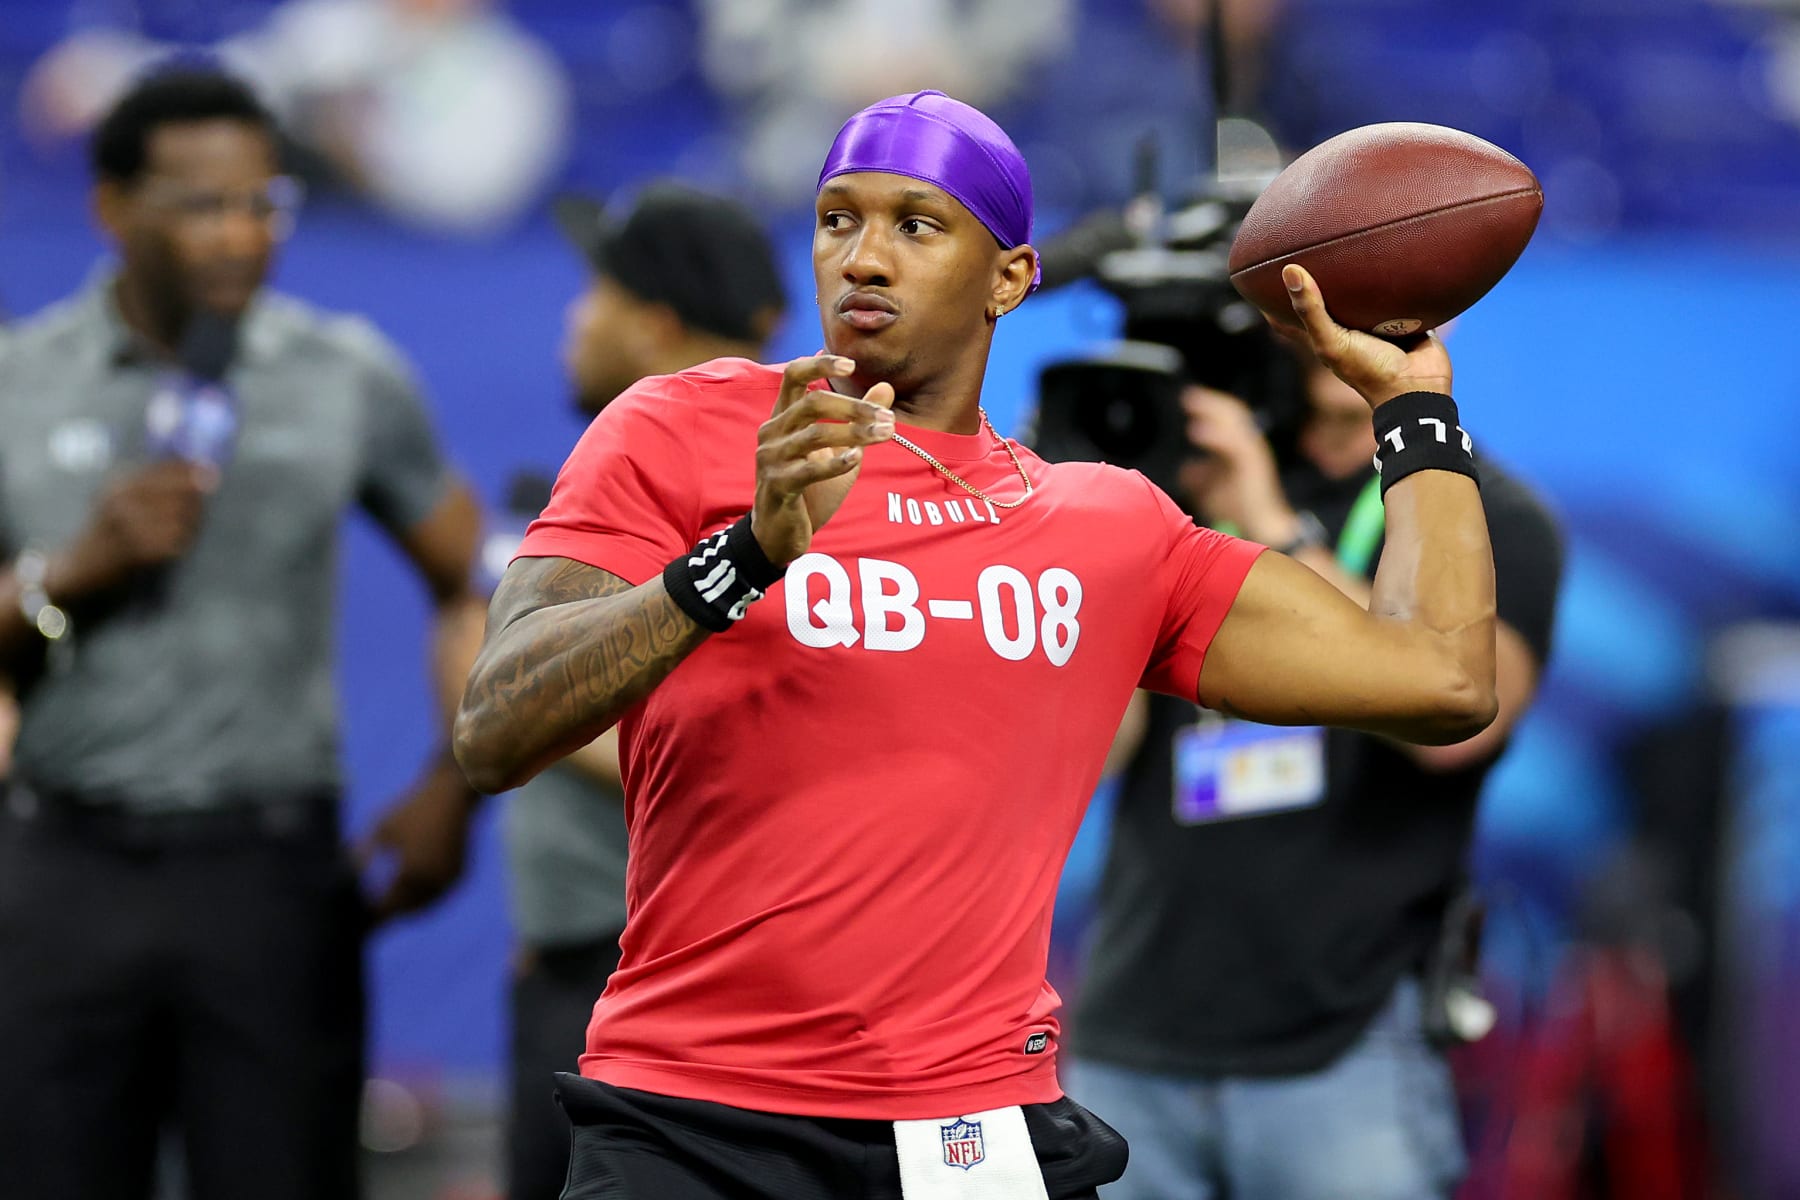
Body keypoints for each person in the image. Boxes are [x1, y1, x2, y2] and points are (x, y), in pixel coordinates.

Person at [454, 89, 1499, 1200]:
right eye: (837, 219)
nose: (863, 257)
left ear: (1011, 277)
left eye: (917, 224)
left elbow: (1441, 675)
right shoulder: (688, 429)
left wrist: (1414, 407)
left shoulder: (1106, 528)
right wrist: (744, 557)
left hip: (971, 1135)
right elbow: (495, 726)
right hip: (696, 1124)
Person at [0, 67, 486, 1200]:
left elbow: (477, 583)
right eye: (201, 206)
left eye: (263, 206)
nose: (237, 237)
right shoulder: (17, 382)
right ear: (113, 210)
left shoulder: (344, 374)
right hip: (67, 862)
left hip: (270, 875)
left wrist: (454, 780)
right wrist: (73, 572)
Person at [1064, 360, 1564, 1200]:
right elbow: (1092, 754)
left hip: (1346, 1046)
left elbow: (1460, 727)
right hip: (1130, 1040)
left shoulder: (1477, 512)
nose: (1348, 329)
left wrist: (1269, 526)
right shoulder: (1188, 486)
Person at [499, 183, 787, 1200]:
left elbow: (498, 715)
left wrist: (533, 699)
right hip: (582, 955)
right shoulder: (596, 489)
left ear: (654, 322)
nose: (576, 318)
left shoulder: (784, 508)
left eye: (597, 293)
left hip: (681, 978)